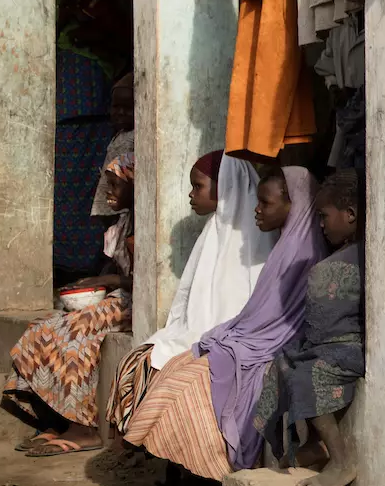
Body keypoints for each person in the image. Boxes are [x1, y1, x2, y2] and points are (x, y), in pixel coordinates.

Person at [124, 165, 324, 482]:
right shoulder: (284, 245)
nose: (258, 209)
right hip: (249, 342)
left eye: (267, 203)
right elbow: (258, 315)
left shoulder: (303, 253)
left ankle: (206, 477)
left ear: (293, 204)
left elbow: (279, 326)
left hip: (267, 350)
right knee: (178, 366)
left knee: (191, 385)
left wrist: (231, 340)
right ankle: (177, 476)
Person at [5, 80, 138, 456]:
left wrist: (110, 279)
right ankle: (55, 418)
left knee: (78, 338)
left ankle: (86, 427)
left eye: (116, 183)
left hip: (131, 303)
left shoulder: (141, 227)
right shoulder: (122, 223)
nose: (107, 190)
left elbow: (146, 283)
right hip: (118, 296)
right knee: (44, 326)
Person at [108, 153, 271, 448]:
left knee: (173, 377)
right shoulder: (214, 231)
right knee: (137, 362)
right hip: (205, 337)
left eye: (198, 186)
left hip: (228, 344)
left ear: (225, 187)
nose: (191, 194)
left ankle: (187, 468)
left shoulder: (254, 237)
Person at [255, 169, 366, 486]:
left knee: (308, 375)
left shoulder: (340, 266)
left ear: (350, 215)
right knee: (281, 365)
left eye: (324, 216)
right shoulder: (338, 261)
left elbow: (327, 326)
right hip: (331, 344)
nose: (320, 224)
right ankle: (307, 448)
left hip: (351, 349)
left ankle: (342, 461)